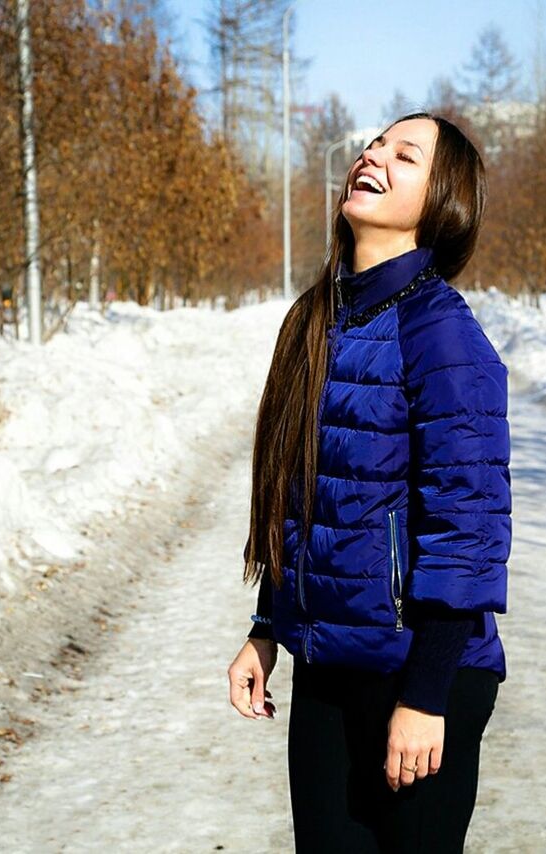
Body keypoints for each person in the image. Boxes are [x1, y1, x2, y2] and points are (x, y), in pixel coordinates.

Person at [226, 110, 511, 853]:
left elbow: (469, 528)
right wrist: (265, 628)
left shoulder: (442, 334)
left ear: (441, 201)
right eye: (373, 145)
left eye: (404, 155)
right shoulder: (311, 320)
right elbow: (296, 496)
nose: (372, 157)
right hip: (325, 666)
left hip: (418, 672)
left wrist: (425, 695)